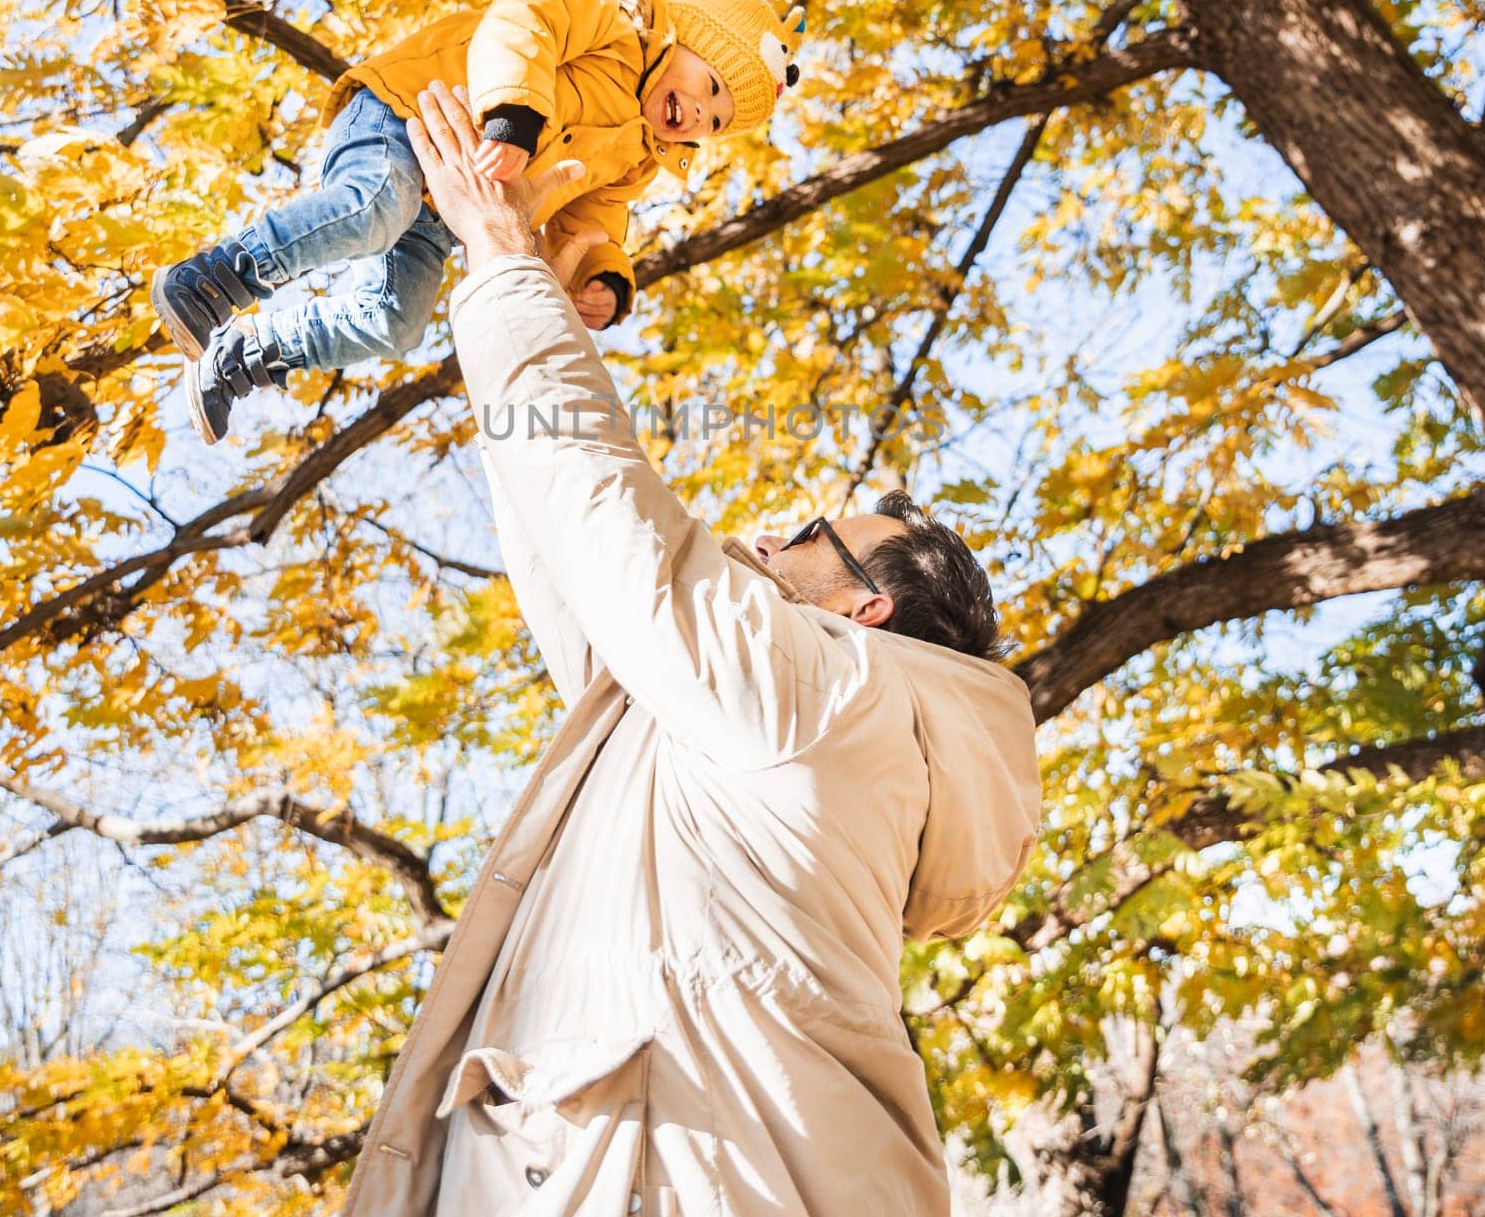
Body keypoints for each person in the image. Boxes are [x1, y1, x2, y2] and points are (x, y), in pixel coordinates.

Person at [337, 83, 1042, 1217]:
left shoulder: (838, 696)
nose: (767, 534)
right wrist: (523, 299)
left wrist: (508, 261)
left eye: (814, 537)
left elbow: (614, 522)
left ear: (866, 612)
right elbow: (580, 555)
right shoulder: (741, 725)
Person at [149, 0, 805, 443]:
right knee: (376, 206)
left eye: (717, 123)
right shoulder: (616, 16)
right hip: (411, 115)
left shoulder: (639, 158)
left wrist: (605, 275)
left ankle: (243, 358)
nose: (699, 117)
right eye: (712, 89)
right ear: (687, 39)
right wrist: (512, 115)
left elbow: (594, 215)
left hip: (445, 206)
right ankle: (214, 279)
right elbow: (526, 20)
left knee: (398, 322)